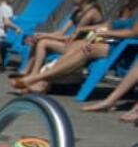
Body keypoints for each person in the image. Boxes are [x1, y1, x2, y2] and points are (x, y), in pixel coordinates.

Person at [10, 19, 138, 94]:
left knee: (85, 49)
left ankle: (38, 79)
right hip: (111, 41)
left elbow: (133, 33)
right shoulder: (130, 5)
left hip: (125, 47)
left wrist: (103, 34)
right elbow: (109, 25)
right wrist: (84, 29)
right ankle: (42, 81)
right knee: (78, 45)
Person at [13, 0, 104, 77]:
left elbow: (73, 36)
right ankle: (25, 71)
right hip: (73, 42)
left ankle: (34, 74)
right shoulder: (77, 11)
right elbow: (61, 32)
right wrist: (41, 34)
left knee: (43, 42)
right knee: (39, 39)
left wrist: (45, 36)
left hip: (82, 47)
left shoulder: (90, 14)